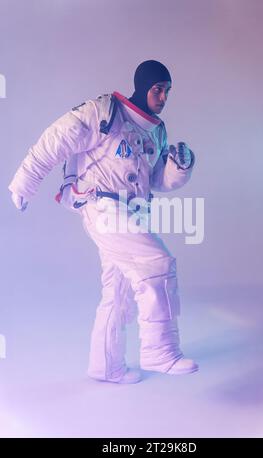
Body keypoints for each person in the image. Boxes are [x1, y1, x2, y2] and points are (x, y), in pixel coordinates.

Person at [8, 60, 199, 384]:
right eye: (158, 89)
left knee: (118, 291)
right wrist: (25, 183)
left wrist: (179, 168)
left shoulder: (156, 128)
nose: (163, 96)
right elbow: (56, 140)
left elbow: (154, 180)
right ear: (142, 86)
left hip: (131, 210)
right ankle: (160, 352)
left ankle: (106, 367)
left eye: (167, 90)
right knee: (157, 263)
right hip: (103, 206)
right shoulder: (104, 112)